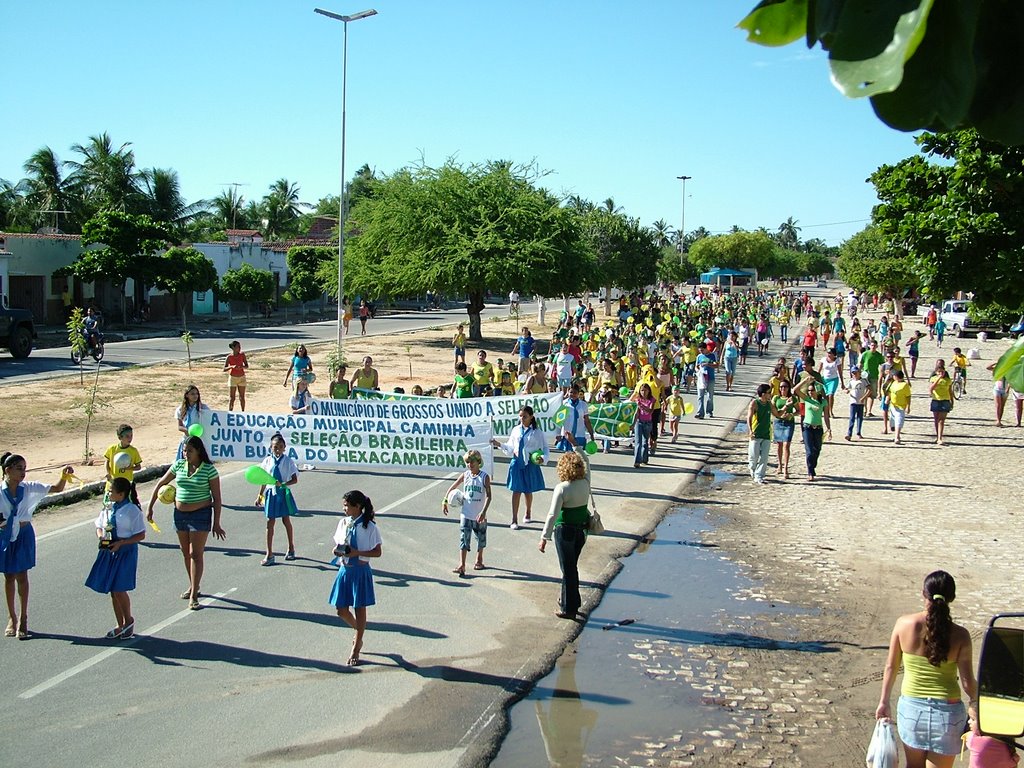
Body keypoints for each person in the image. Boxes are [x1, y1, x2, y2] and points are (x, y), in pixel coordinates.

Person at [876, 571, 977, 768]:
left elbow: (891, 666)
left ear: (924, 594)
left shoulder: (904, 624)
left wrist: (884, 701)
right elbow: (967, 683)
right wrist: (978, 701)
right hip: (948, 715)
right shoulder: (961, 635)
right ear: (952, 598)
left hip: (912, 710)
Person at [1, 453, 74, 639]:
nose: (23, 473)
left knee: (22, 576)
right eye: (19, 469)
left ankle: (24, 617)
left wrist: (64, 475)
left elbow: (57, 488)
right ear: (7, 470)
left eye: (25, 468)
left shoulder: (29, 488)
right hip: (5, 536)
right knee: (8, 576)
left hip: (24, 535)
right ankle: (12, 617)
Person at [147, 436, 225, 611]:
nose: (186, 453)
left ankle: (194, 596)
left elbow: (217, 498)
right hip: (180, 515)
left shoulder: (209, 470)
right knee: (185, 553)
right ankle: (193, 585)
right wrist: (150, 506)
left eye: (190, 450)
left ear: (198, 451)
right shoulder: (179, 466)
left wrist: (217, 523)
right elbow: (162, 483)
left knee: (195, 553)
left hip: (200, 515)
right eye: (184, 450)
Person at [85, 476, 146, 640]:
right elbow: (99, 525)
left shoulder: (132, 511)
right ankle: (119, 625)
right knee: (112, 590)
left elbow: (141, 534)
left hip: (125, 551)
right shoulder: (108, 508)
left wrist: (122, 543)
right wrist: (101, 537)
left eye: (111, 491)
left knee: (120, 588)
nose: (108, 493)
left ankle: (129, 621)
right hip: (108, 550)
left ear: (121, 494)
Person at [329, 490, 382, 666]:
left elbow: (377, 552)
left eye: (347, 505)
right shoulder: (343, 523)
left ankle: (356, 647)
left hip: (360, 571)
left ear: (357, 506)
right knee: (341, 609)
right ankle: (358, 631)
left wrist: (358, 552)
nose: (344, 508)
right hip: (345, 569)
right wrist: (337, 550)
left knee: (360, 609)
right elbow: (338, 543)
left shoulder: (369, 527)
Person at [538, 451, 591, 620]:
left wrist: (544, 537)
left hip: (565, 531)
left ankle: (568, 608)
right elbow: (587, 461)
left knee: (567, 569)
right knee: (571, 566)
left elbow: (552, 514)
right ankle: (571, 601)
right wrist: (575, 444)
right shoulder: (586, 483)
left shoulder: (562, 488)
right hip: (582, 530)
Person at [492, 405, 548, 529]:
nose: (522, 418)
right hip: (517, 463)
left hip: (530, 464)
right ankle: (514, 519)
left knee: (528, 491)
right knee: (516, 491)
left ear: (531, 417)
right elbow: (511, 446)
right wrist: (499, 444)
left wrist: (543, 458)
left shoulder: (537, 432)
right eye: (521, 416)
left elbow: (545, 447)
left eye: (525, 416)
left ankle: (528, 512)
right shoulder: (516, 430)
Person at [442, 450, 491, 575]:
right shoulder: (465, 475)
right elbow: (453, 487)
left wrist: (484, 512)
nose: (470, 465)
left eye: (472, 462)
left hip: (479, 515)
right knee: (464, 539)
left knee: (481, 538)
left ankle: (479, 559)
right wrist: (445, 500)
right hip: (466, 514)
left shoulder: (484, 477)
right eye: (467, 462)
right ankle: (462, 565)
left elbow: (489, 496)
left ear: (478, 462)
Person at [255, 433, 298, 565]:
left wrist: (283, 484)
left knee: (286, 520)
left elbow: (294, 479)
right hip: (271, 494)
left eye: (280, 447)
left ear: (284, 448)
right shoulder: (267, 461)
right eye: (275, 447)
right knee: (270, 522)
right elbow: (264, 479)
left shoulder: (288, 461)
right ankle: (269, 553)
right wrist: (260, 495)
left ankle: (291, 547)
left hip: (282, 493)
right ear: (270, 448)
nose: (277, 449)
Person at [793, 375, 831, 481]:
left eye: (812, 390)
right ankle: (810, 471)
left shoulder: (823, 402)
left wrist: (829, 428)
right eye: (809, 390)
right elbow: (795, 390)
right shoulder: (807, 399)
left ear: (817, 391)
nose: (810, 392)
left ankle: (812, 466)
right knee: (809, 450)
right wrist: (805, 381)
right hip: (807, 427)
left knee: (817, 449)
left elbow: (826, 416)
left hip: (818, 428)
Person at [104, 424, 142, 506]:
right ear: (120, 437)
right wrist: (108, 473)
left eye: (131, 435)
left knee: (132, 506)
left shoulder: (133, 451)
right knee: (109, 508)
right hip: (113, 483)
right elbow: (107, 461)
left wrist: (130, 468)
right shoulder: (112, 449)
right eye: (127, 436)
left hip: (127, 484)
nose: (130, 438)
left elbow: (138, 467)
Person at [746, 384, 777, 484]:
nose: (770, 394)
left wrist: (786, 407)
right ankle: (752, 468)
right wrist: (750, 430)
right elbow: (749, 417)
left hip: (766, 434)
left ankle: (759, 476)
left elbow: (777, 414)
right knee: (754, 456)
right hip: (756, 434)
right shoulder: (754, 403)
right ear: (763, 394)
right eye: (769, 392)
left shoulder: (769, 404)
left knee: (764, 457)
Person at [174, 385, 210, 460]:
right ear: (187, 395)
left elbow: (210, 421)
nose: (195, 396)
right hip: (187, 439)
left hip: (200, 440)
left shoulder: (203, 408)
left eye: (197, 394)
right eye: (192, 394)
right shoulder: (180, 409)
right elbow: (179, 426)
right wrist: (187, 431)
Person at [772, 381, 797, 479]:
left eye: (785, 387)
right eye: (781, 387)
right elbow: (774, 411)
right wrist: (784, 407)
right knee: (779, 445)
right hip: (778, 422)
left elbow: (798, 410)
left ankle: (786, 467)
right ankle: (779, 464)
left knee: (787, 444)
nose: (783, 389)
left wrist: (792, 414)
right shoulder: (776, 398)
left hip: (789, 422)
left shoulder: (792, 398)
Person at [928, 363, 954, 445]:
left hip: (945, 400)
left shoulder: (948, 380)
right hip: (936, 400)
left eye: (942, 372)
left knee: (941, 420)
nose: (941, 373)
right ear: (936, 372)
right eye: (939, 372)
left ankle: (940, 438)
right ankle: (937, 436)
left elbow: (950, 391)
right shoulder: (933, 378)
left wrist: (952, 401)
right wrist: (938, 378)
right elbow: (931, 389)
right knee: (936, 419)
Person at [859, 341, 886, 417]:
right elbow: (860, 364)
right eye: (872, 345)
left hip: (874, 376)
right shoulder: (865, 354)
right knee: (864, 393)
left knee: (872, 394)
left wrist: (884, 375)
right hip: (865, 376)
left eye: (874, 345)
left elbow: (882, 365)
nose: (873, 347)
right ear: (870, 346)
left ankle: (869, 411)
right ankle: (864, 410)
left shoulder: (879, 355)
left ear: (877, 346)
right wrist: (858, 375)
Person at [632, 383, 656, 468]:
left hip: (648, 422)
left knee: (645, 442)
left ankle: (645, 459)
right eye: (642, 390)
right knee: (638, 442)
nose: (643, 392)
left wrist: (641, 405)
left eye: (645, 390)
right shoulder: (638, 400)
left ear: (649, 391)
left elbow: (650, 411)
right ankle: (637, 461)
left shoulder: (652, 399)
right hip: (639, 421)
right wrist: (633, 424)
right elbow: (636, 413)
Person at [844, 366, 868, 440]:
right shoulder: (851, 381)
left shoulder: (863, 381)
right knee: (852, 418)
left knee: (859, 418)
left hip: (860, 403)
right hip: (853, 402)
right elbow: (846, 389)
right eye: (853, 373)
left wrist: (863, 398)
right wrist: (846, 391)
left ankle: (858, 432)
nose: (854, 374)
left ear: (859, 373)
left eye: (855, 373)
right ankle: (849, 434)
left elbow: (870, 390)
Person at [889, 370, 912, 445]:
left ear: (896, 377)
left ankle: (897, 437)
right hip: (893, 405)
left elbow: (908, 396)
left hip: (901, 406)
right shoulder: (894, 383)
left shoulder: (905, 385)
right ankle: (895, 433)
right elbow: (891, 391)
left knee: (898, 421)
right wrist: (888, 399)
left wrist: (908, 406)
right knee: (893, 422)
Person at [695, 341, 718, 419]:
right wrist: (698, 370)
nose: (701, 352)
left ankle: (709, 411)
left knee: (710, 396)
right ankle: (700, 413)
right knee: (700, 396)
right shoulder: (699, 356)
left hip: (710, 378)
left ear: (706, 349)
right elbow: (696, 366)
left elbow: (716, 365)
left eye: (702, 350)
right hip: (701, 378)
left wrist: (708, 364)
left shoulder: (712, 355)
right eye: (700, 350)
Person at [223, 340, 248, 411]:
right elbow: (224, 368)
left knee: (242, 397)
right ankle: (230, 412)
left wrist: (242, 367)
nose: (239, 348)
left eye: (240, 347)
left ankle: (243, 411)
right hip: (233, 378)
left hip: (242, 377)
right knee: (232, 398)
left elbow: (246, 365)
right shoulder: (229, 357)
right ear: (233, 348)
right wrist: (231, 367)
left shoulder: (242, 355)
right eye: (237, 347)